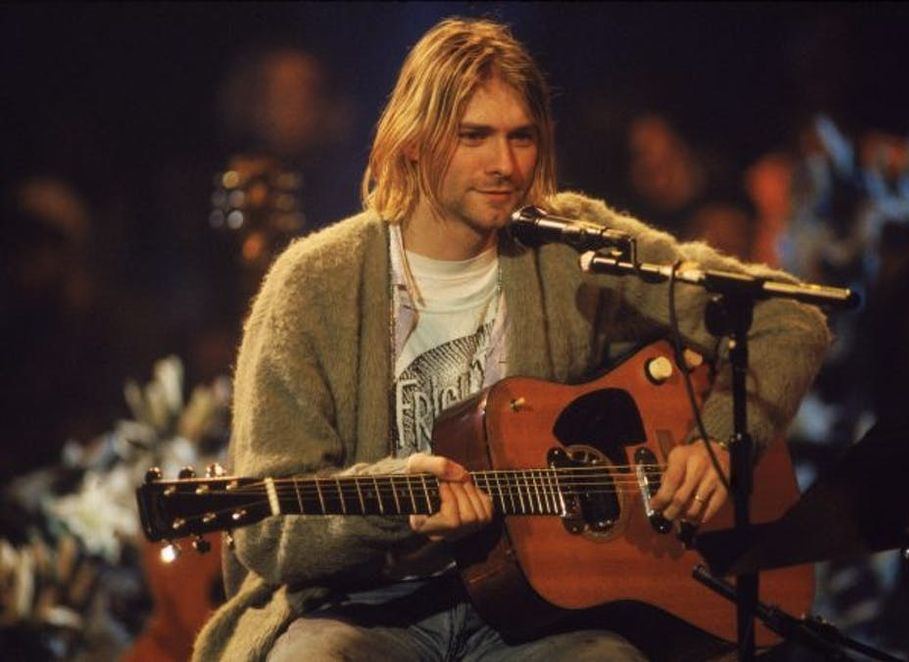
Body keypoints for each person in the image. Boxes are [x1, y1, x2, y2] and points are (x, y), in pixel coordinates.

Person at [193, 17, 830, 661]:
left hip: (541, 618)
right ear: (413, 141)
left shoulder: (569, 247)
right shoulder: (311, 284)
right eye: (475, 137)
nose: (505, 165)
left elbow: (786, 318)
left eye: (522, 137)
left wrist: (720, 441)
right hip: (362, 611)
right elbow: (266, 529)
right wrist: (395, 507)